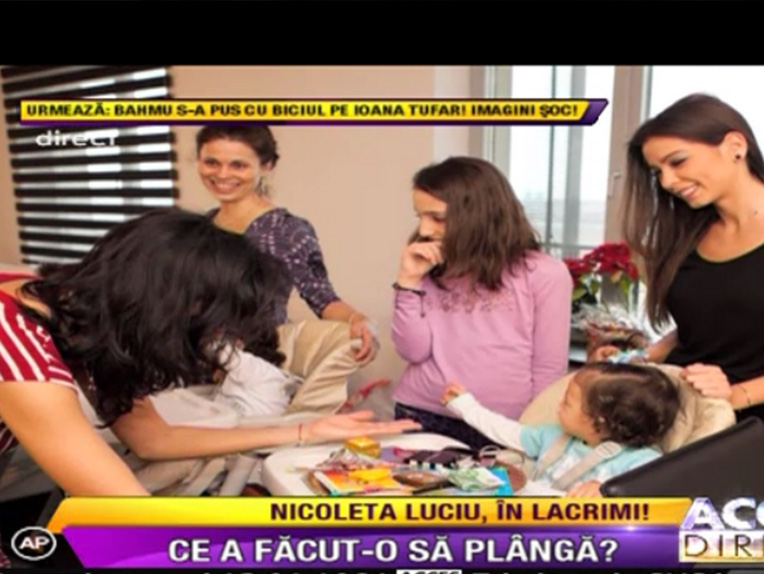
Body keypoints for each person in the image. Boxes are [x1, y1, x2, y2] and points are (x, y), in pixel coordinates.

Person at [0, 209, 418, 498]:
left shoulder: (83, 317)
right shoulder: (17, 343)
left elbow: (153, 438)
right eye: (210, 327)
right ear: (163, 309)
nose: (213, 341)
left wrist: (304, 431)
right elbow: (127, 508)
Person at [592, 93, 764, 483]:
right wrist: (641, 358)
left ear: (735, 146)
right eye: (658, 172)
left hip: (763, 425)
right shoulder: (689, 234)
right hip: (682, 409)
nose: (667, 182)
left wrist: (736, 395)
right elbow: (713, 320)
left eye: (678, 162)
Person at [391, 157, 573, 449]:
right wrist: (408, 281)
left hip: (504, 426)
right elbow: (413, 351)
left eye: (437, 218)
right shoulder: (430, 265)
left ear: (478, 214)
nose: (424, 230)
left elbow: (549, 368)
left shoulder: (545, 274)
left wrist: (533, 433)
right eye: (420, 216)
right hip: (422, 413)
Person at [195, 125, 376, 362]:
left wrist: (358, 320)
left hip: (255, 366)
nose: (222, 174)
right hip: (196, 362)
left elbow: (322, 297)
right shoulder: (199, 227)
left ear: (266, 166)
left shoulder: (285, 230)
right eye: (212, 162)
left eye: (238, 165)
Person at [441, 362, 681, 496]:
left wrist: (607, 493)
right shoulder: (554, 436)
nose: (558, 406)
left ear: (599, 421)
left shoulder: (641, 465)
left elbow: (654, 503)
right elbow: (506, 431)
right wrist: (466, 406)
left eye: (567, 403)